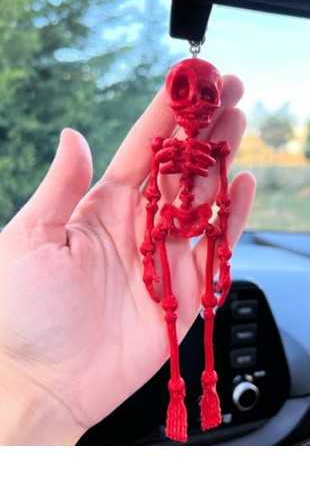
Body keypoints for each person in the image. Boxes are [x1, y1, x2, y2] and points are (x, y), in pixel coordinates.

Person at [0, 74, 256, 445]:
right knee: (182, 307)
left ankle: (205, 386)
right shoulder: (166, 155)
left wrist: (25, 388)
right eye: (186, 92)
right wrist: (20, 378)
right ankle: (189, 392)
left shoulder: (202, 154)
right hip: (169, 224)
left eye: (206, 94)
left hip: (187, 220)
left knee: (198, 307)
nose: (197, 104)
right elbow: (154, 198)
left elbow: (213, 195)